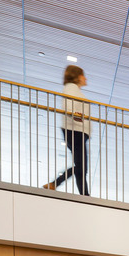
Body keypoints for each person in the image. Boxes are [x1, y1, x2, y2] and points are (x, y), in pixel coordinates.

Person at [44, 65, 91, 195]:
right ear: (77, 76)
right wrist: (77, 116)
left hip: (77, 131)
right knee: (81, 167)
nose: (85, 78)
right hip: (75, 130)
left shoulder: (74, 89)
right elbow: (68, 107)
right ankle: (57, 184)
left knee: (81, 167)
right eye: (83, 75)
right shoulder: (71, 88)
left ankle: (84, 195)